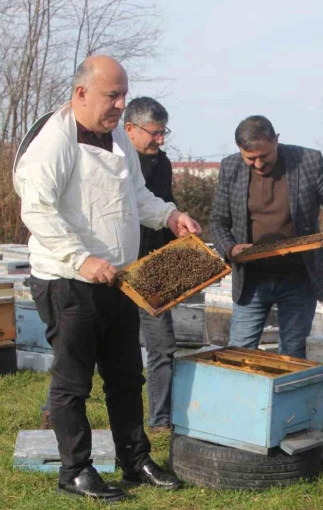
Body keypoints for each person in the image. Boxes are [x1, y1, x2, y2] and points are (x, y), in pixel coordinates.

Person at [13, 55, 199, 502]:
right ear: (81, 94)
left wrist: (170, 215)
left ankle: (135, 461)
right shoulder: (52, 142)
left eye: (122, 95)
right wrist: (81, 259)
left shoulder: (117, 136)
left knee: (125, 376)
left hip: (118, 277)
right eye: (111, 95)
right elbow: (37, 210)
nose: (120, 104)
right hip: (68, 280)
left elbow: (136, 195)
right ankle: (75, 470)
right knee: (72, 382)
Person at [209, 115, 323, 359]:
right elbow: (218, 221)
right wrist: (230, 248)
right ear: (239, 150)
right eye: (250, 158)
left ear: (276, 139)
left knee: (293, 353)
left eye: (264, 156)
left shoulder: (308, 161)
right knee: (239, 352)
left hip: (299, 276)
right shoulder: (230, 167)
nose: (258, 164)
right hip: (252, 279)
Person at [123, 97, 178, 433]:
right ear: (130, 129)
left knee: (162, 346)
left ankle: (160, 420)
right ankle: (54, 412)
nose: (160, 140)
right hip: (113, 267)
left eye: (163, 132)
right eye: (154, 133)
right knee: (90, 346)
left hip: (153, 270)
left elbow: (164, 206)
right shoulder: (112, 163)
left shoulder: (164, 163)